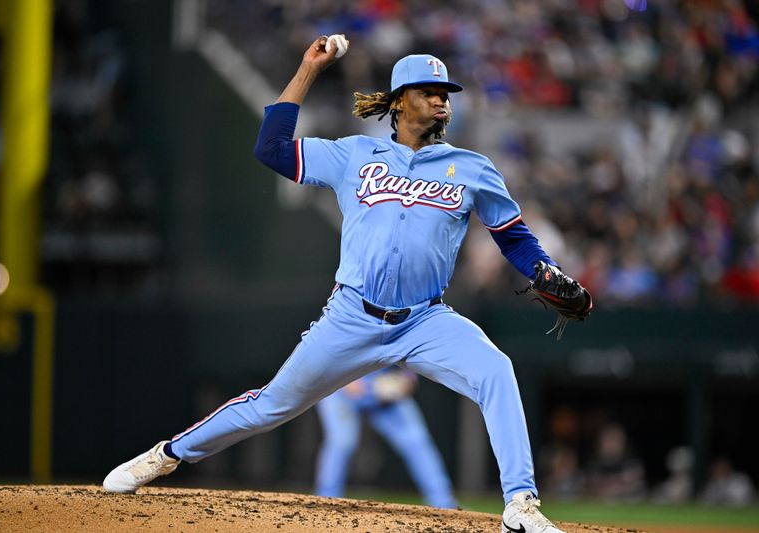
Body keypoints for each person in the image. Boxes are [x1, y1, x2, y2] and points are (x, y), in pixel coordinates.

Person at [103, 35, 592, 533]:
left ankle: (521, 505)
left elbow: (514, 237)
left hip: (426, 319)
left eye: (446, 91)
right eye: (430, 90)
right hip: (352, 317)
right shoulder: (353, 155)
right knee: (271, 405)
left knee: (497, 371)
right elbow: (270, 149)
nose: (443, 99)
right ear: (400, 100)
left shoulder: (472, 169)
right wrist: (307, 69)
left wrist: (545, 271)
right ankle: (166, 455)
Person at [315, 367, 457, 509]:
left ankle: (444, 503)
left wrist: (408, 378)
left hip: (383, 387)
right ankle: (326, 501)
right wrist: (342, 378)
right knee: (341, 442)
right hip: (341, 385)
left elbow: (415, 351)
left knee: (416, 441)